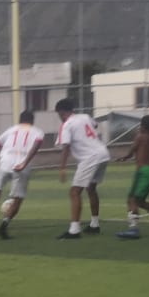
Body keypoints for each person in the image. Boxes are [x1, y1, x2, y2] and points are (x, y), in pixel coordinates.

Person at [0, 110, 45, 239]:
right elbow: (35, 147)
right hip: (21, 166)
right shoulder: (38, 132)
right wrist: (24, 163)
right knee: (18, 199)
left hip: (5, 163)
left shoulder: (11, 130)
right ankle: (4, 226)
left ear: (20, 120)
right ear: (32, 121)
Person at [52, 99, 110, 239]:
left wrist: (62, 168)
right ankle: (94, 225)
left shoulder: (66, 125)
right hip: (103, 153)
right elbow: (95, 125)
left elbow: (65, 147)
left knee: (74, 192)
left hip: (90, 157)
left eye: (59, 114)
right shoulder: (85, 116)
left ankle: (74, 230)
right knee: (91, 188)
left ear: (62, 112)